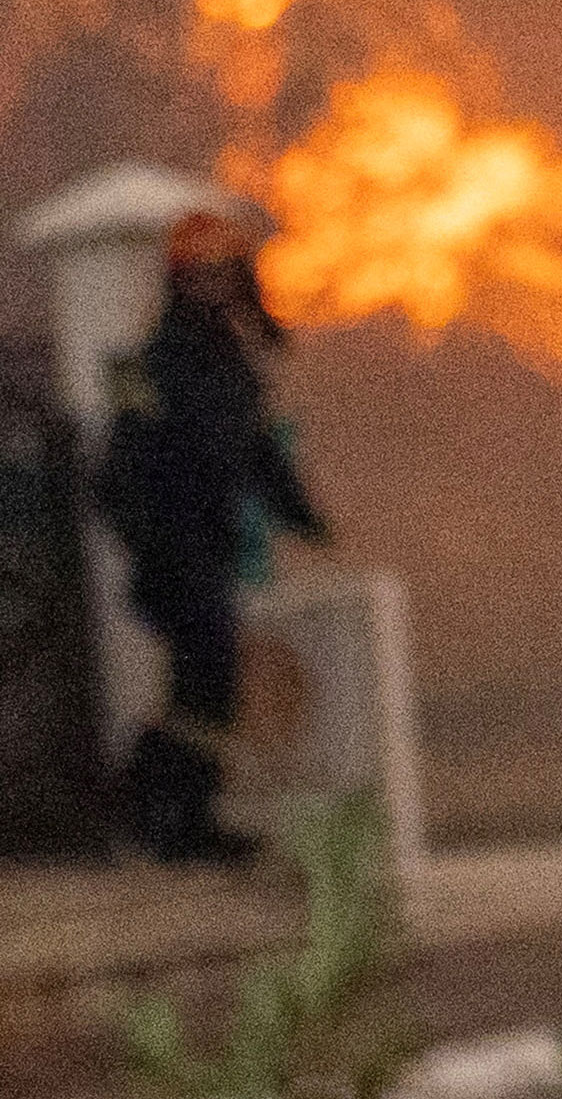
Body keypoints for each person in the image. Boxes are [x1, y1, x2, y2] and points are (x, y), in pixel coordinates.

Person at [92, 202, 321, 869]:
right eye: (201, 275)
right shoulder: (145, 365)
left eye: (225, 273)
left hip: (211, 548)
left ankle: (173, 814)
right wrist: (153, 543)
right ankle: (159, 809)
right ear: (179, 281)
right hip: (172, 553)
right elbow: (115, 471)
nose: (215, 287)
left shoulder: (234, 364)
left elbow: (258, 452)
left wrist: (302, 516)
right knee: (207, 677)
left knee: (204, 684)